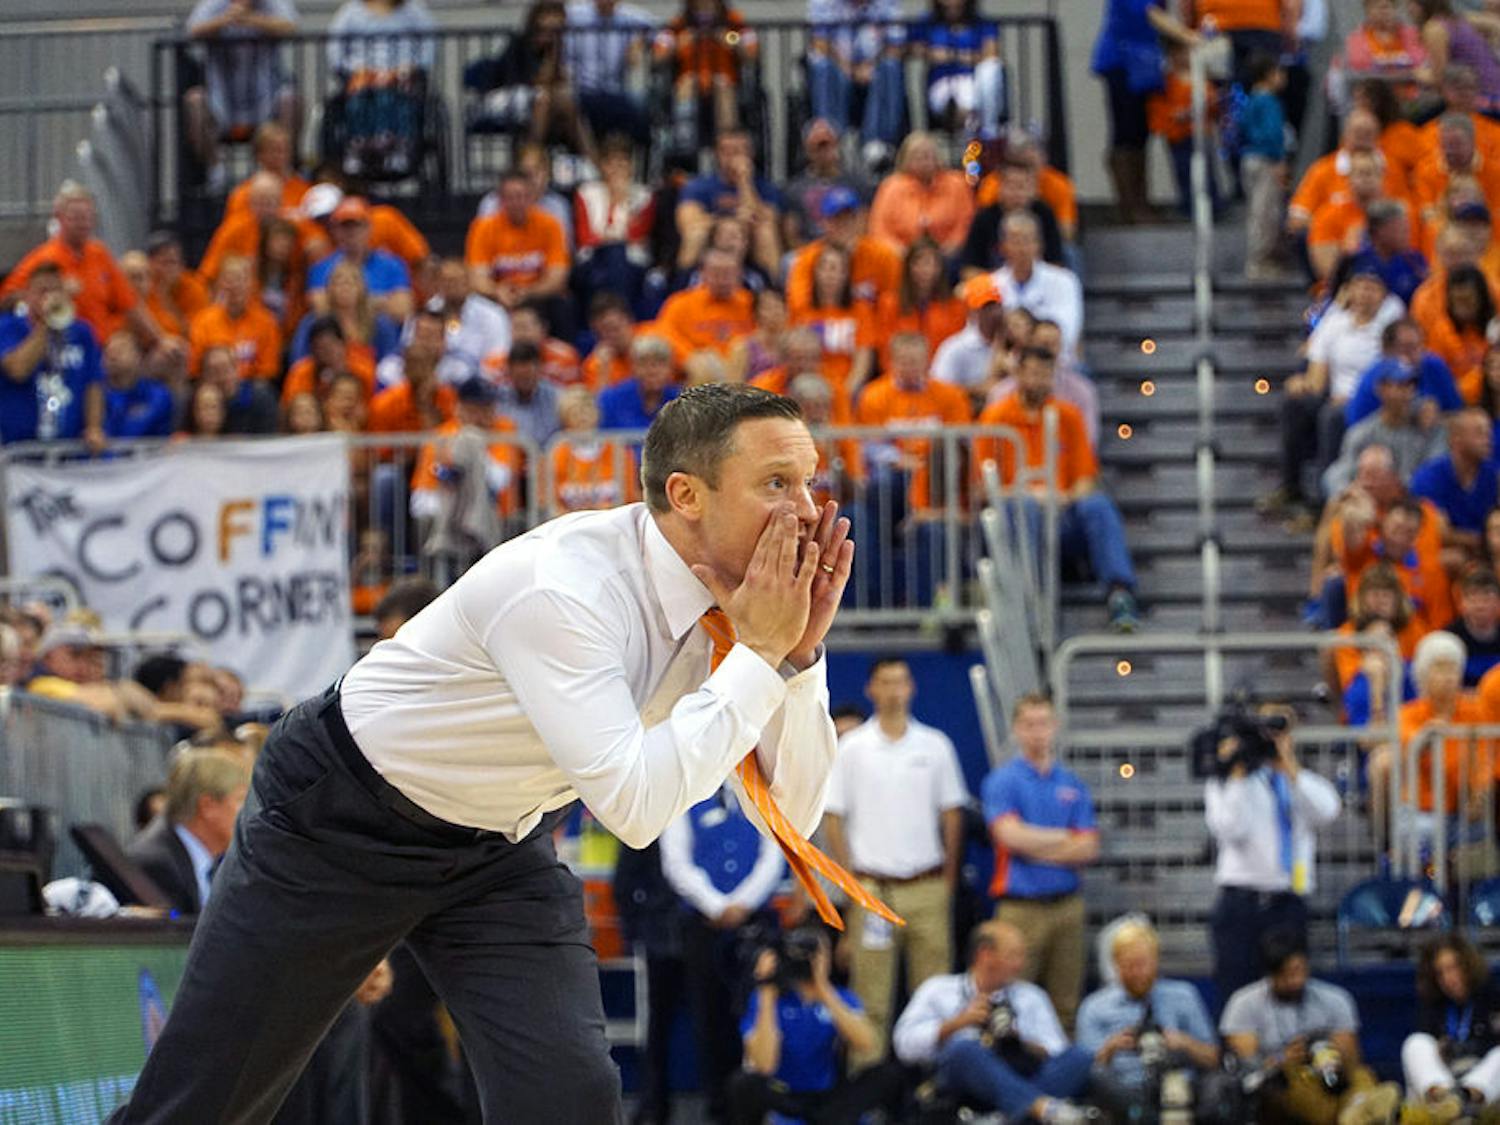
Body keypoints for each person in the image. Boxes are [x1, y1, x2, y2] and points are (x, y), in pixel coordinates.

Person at [110, 382, 863, 1123]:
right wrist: (759, 656)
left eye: (809, 481)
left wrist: (796, 661)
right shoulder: (566, 588)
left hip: (497, 848)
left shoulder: (743, 612)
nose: (807, 508)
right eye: (776, 483)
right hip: (339, 817)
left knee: (568, 1099)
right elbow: (634, 807)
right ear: (687, 495)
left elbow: (791, 817)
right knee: (205, 1098)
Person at [821, 656, 969, 1063]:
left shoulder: (935, 746)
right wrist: (852, 883)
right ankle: (867, 1093)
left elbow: (952, 815)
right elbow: (833, 818)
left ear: (912, 688)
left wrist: (948, 883)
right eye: (885, 682)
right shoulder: (852, 748)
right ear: (871, 690)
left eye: (901, 681)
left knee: (936, 997)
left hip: (927, 885)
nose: (893, 690)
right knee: (870, 1000)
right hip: (873, 892)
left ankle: (935, 1092)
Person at [979, 347, 1140, 631]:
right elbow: (983, 487)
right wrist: (1026, 494)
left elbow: (1085, 478)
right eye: (1033, 374)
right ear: (1018, 374)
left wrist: (1063, 496)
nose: (1039, 381)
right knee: (1025, 508)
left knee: (1097, 505)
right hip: (1017, 516)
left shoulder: (1068, 416)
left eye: (1046, 375)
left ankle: (1120, 594)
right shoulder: (996, 418)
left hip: (1061, 512)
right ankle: (1032, 601)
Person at [1204, 705, 1341, 1011]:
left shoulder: (1299, 781)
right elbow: (1229, 828)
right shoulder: (1223, 782)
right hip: (1241, 904)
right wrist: (1237, 771)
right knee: (1235, 992)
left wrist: (1290, 768)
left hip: (1287, 904)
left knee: (1290, 990)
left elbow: (1327, 811)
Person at [661, 784, 785, 1122]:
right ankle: (717, 1107)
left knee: (759, 1010)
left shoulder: (760, 792)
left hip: (755, 921)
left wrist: (743, 903)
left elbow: (773, 854)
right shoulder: (684, 793)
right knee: (708, 1015)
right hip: (703, 924)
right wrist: (717, 905)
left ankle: (759, 1108)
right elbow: (676, 862)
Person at [892, 921, 1095, 1124]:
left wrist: (1019, 1040)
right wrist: (958, 1023)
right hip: (961, 1081)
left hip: (1021, 1074)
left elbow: (1057, 1051)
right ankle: (1040, 1109)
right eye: (1013, 955)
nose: (1020, 965)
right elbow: (904, 1047)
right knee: (963, 1048)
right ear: (985, 954)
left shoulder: (1032, 996)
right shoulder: (938, 989)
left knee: (1081, 1057)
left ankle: (1004, 1118)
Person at [980, 694, 1098, 1033]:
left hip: (1066, 906)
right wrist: (1065, 839)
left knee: (1066, 1002)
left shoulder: (1071, 783)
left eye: (1043, 723)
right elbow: (1007, 837)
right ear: (1017, 729)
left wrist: (1032, 844)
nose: (1037, 732)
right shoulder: (1003, 781)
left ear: (1055, 727)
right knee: (1007, 996)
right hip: (1020, 909)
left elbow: (1089, 847)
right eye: (1029, 724)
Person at [1220, 930, 1401, 1125]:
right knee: (1291, 1085)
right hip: (1281, 1082)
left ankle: (1360, 1108)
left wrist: (1330, 1053)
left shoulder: (1335, 999)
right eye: (1288, 975)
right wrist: (1284, 1058)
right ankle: (1357, 1115)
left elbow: (1353, 1059)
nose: (1296, 981)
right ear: (1271, 974)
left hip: (1329, 1075)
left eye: (1300, 971)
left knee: (1362, 1076)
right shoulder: (1244, 1003)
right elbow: (1247, 1070)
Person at [729, 928, 907, 1125]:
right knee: (743, 1084)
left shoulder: (841, 997)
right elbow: (764, 1064)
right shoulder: (766, 1000)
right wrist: (766, 990)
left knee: (887, 1075)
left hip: (829, 1096)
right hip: (784, 1094)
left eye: (815, 953)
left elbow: (867, 1044)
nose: (806, 960)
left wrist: (823, 989)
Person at [1075, 918, 1229, 1123]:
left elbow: (1213, 1058)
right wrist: (1110, 1048)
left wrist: (1184, 1042)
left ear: (1156, 960)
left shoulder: (1184, 995)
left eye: (1143, 964)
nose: (1138, 973)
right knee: (1098, 1077)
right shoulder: (1094, 1006)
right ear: (1115, 965)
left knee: (1220, 1082)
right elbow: (1084, 1072)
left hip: (1181, 1083)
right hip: (1127, 1089)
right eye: (1130, 966)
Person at [0, 183, 160, 350]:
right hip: (64, 343)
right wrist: (54, 292)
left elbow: (130, 304)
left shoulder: (99, 253)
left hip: (104, 343)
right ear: (59, 217)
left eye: (87, 217)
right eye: (75, 217)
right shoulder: (43, 257)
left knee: (164, 356)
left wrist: (160, 340)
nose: (83, 223)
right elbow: (7, 298)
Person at [1092, 0, 1199, 223]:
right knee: (1127, 132)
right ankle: (1130, 206)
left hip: (1144, 64)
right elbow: (1151, 13)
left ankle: (1141, 202)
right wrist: (1189, 37)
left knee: (1140, 133)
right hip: (1123, 61)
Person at [184, 1, 300, 187]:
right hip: (221, 100)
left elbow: (290, 26)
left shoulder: (272, 4)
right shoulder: (214, 5)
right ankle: (216, 170)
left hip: (266, 100)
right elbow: (192, 29)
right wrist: (225, 21)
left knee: (290, 98)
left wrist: (252, 20)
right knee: (195, 100)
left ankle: (280, 169)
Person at [126, 748, 251, 916]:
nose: (251, 813)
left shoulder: (213, 861)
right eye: (241, 800)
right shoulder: (158, 866)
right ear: (208, 807)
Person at [0, 262, 106, 449]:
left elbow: (93, 382)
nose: (49, 297)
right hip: (21, 450)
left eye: (56, 290)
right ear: (28, 294)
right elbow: (18, 370)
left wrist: (94, 427)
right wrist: (46, 325)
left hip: (71, 448)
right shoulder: (8, 327)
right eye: (42, 291)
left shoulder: (82, 332)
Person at [1402, 934, 1500, 1122]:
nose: (1449, 978)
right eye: (1440, 973)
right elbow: (1427, 1052)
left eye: (1453, 968)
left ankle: (1461, 1099)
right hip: (1444, 1078)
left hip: (1479, 1081)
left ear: (1468, 966)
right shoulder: (1433, 1003)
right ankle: (1445, 1100)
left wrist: (1470, 1046)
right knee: (1415, 1043)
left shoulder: (1493, 995)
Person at [805, 0, 906, 167]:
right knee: (822, 66)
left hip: (874, 68)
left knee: (891, 66)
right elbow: (819, 42)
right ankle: (833, 138)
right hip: (838, 67)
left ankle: (877, 144)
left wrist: (870, 66)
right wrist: (849, 69)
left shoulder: (888, 3)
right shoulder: (823, 3)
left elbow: (895, 44)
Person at [1321, 360, 1444, 495]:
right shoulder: (1362, 432)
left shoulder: (1428, 428)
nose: (1406, 392)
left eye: (1411, 386)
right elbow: (1338, 474)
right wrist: (1348, 494)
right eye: (1399, 385)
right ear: (1381, 389)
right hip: (1370, 504)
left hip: (1414, 504)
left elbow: (1435, 471)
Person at [992, 212, 1084, 362]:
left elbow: (1067, 331)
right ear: (1002, 247)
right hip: (1003, 362)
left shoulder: (1064, 280)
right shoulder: (991, 283)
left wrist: (1023, 333)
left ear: (1039, 245)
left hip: (1056, 363)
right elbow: (981, 333)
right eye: (1015, 240)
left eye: (1027, 240)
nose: (1021, 247)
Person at [308, 197, 414, 322]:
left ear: (369, 228)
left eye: (357, 226)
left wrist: (346, 303)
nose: (351, 232)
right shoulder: (321, 267)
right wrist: (381, 302)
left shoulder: (393, 265)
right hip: (341, 336)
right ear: (335, 231)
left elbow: (402, 310)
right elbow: (321, 309)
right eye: (345, 226)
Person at [869, 132, 976, 256]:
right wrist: (900, 252)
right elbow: (879, 228)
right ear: (904, 159)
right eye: (916, 155)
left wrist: (951, 247)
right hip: (901, 257)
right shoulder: (890, 187)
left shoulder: (957, 184)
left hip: (950, 255)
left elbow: (966, 222)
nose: (923, 160)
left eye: (927, 155)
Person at [563, 0, 655, 143]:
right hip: (579, 89)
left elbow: (663, 34)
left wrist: (640, 41)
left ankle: (637, 159)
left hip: (615, 90)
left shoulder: (629, 17)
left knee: (641, 105)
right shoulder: (574, 15)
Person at [188, 255, 283, 381]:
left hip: (250, 387)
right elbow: (195, 368)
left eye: (240, 279)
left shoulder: (266, 322)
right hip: (213, 387)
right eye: (229, 279)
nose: (234, 286)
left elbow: (269, 370)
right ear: (219, 284)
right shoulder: (203, 321)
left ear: (252, 284)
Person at [1412, 407, 1499, 543]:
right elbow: (1440, 533)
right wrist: (1480, 542)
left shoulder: (1494, 474)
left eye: (1488, 432)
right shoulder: (1430, 477)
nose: (1488, 439)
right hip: (1443, 549)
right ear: (1456, 439)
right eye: (1479, 433)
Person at [1240, 54, 1290, 281]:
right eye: (1279, 72)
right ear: (1269, 75)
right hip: (1265, 160)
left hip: (1251, 159)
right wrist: (1278, 158)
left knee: (1259, 211)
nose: (1283, 77)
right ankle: (1258, 263)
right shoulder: (1267, 101)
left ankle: (1259, 260)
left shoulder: (1251, 99)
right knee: (1265, 213)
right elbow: (1272, 134)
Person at [598, 335, 682, 431]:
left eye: (660, 364)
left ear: (670, 369)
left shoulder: (682, 401)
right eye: (644, 364)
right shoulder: (611, 400)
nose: (652, 371)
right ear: (633, 368)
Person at [102, 331, 175, 439]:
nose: (112, 356)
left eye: (120, 350)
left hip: (147, 455)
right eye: (108, 351)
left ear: (138, 356)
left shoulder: (159, 396)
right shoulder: (94, 395)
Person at [1446, 568, 1500, 686]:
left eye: (1486, 598)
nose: (1480, 605)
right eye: (1473, 597)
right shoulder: (1448, 638)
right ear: (1462, 603)